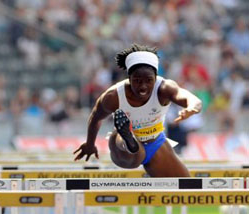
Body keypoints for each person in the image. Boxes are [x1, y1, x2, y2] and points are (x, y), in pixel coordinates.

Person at [74, 44, 202, 177]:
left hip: (155, 143)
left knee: (186, 185)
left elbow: (191, 99)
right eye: (137, 81)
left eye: (148, 81)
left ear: (156, 77)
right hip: (121, 147)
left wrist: (192, 107)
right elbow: (95, 117)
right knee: (133, 153)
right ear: (129, 78)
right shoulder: (113, 96)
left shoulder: (164, 88)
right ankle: (128, 140)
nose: (143, 87)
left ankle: (131, 142)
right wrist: (90, 144)